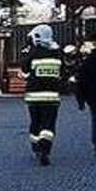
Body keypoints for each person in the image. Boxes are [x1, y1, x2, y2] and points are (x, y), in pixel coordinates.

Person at [21, 24, 65, 166]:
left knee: (35, 122)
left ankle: (36, 146)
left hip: (34, 97)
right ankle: (45, 147)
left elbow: (24, 68)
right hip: (52, 97)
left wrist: (27, 53)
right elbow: (63, 72)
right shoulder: (57, 54)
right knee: (49, 124)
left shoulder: (33, 53)